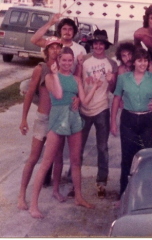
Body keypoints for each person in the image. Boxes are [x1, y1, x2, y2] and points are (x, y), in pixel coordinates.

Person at [29, 47, 100, 219]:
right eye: (64, 60)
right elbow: (59, 95)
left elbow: (85, 102)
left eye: (70, 60)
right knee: (46, 161)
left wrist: (95, 86)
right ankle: (33, 205)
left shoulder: (76, 79)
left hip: (74, 118)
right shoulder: (50, 77)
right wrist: (55, 74)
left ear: (73, 61)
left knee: (76, 161)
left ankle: (78, 197)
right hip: (58, 117)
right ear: (58, 61)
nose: (67, 63)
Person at [18, 36, 65, 210]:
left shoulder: (63, 68)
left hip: (58, 119)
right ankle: (22, 195)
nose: (55, 50)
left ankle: (56, 190)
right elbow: (30, 93)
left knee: (59, 157)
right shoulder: (41, 68)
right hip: (43, 118)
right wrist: (23, 118)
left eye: (58, 47)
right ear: (46, 51)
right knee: (33, 157)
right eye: (52, 48)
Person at [110, 48, 152, 196]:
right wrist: (113, 122)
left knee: (147, 158)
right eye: (139, 60)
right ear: (134, 62)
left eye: (145, 60)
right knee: (127, 158)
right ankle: (124, 194)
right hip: (129, 119)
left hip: (149, 120)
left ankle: (145, 194)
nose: (143, 63)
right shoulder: (123, 78)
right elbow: (116, 99)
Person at [78, 29, 117, 199]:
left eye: (101, 44)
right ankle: (75, 180)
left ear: (106, 46)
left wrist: (112, 80)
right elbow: (77, 80)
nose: (98, 46)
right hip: (84, 109)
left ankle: (102, 182)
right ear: (92, 45)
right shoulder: (84, 61)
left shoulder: (112, 64)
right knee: (78, 146)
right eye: (95, 43)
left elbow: (114, 90)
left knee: (102, 147)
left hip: (102, 108)